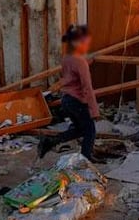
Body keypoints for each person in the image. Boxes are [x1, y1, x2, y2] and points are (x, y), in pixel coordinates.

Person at [38, 25, 104, 164]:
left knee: (80, 129)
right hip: (77, 101)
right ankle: (85, 159)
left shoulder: (67, 58)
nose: (87, 45)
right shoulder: (80, 62)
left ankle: (51, 141)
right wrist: (94, 110)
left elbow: (70, 76)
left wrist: (87, 62)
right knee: (90, 130)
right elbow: (87, 87)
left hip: (66, 100)